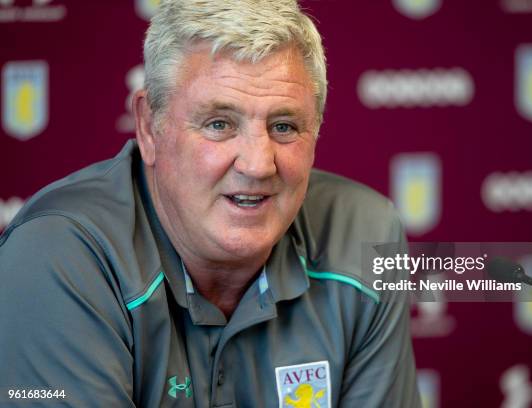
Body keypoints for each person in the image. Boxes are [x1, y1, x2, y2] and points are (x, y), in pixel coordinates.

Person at [0, 0, 421, 406]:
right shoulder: (55, 253)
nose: (258, 164)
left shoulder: (367, 235)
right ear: (149, 126)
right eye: (219, 124)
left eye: (284, 126)